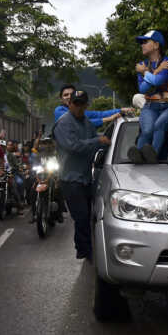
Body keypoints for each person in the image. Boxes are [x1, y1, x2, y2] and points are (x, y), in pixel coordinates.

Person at [52, 90, 110, 260]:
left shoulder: (87, 123)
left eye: (81, 104)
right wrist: (98, 141)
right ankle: (85, 251)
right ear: (69, 104)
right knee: (82, 215)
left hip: (86, 177)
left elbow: (98, 145)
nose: (78, 107)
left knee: (88, 215)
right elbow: (73, 146)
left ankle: (83, 247)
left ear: (86, 105)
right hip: (70, 179)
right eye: (74, 104)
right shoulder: (63, 123)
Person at [127, 30, 168, 164]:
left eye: (145, 42)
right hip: (150, 106)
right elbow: (143, 88)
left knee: (159, 125)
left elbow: (157, 82)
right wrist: (155, 71)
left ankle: (153, 156)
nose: (142, 45)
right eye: (141, 43)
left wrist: (145, 72)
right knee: (147, 130)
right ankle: (138, 157)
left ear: (156, 45)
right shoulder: (142, 64)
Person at [54, 84, 131, 126]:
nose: (69, 97)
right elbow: (79, 123)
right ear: (61, 98)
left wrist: (120, 110)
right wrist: (108, 119)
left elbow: (100, 114)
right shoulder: (59, 111)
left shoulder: (80, 111)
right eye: (66, 95)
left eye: (71, 94)